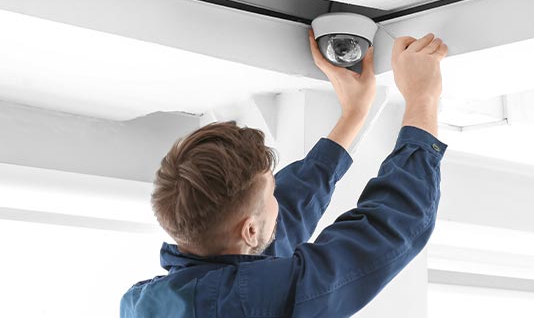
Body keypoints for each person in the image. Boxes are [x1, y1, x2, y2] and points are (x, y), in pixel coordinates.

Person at [120, 29, 449, 317]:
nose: (280, 199)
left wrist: (354, 114)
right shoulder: (252, 300)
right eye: (271, 193)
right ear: (249, 230)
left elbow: (278, 225)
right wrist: (423, 96)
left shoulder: (141, 303)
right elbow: (393, 225)